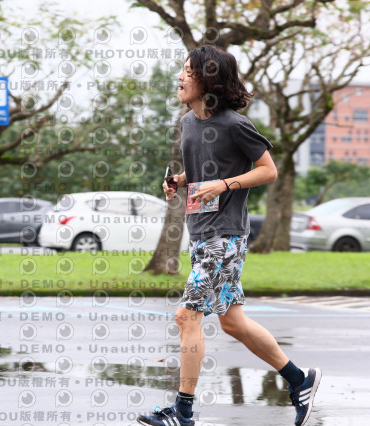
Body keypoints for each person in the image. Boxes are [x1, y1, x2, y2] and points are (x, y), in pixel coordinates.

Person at [137, 45, 321, 426]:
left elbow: (267, 170)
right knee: (233, 321)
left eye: (188, 71)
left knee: (186, 316)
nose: (180, 77)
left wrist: (223, 185)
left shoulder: (235, 124)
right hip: (202, 233)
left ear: (208, 80)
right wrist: (180, 180)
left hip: (225, 236)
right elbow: (206, 168)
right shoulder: (189, 122)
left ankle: (183, 412)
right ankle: (299, 380)